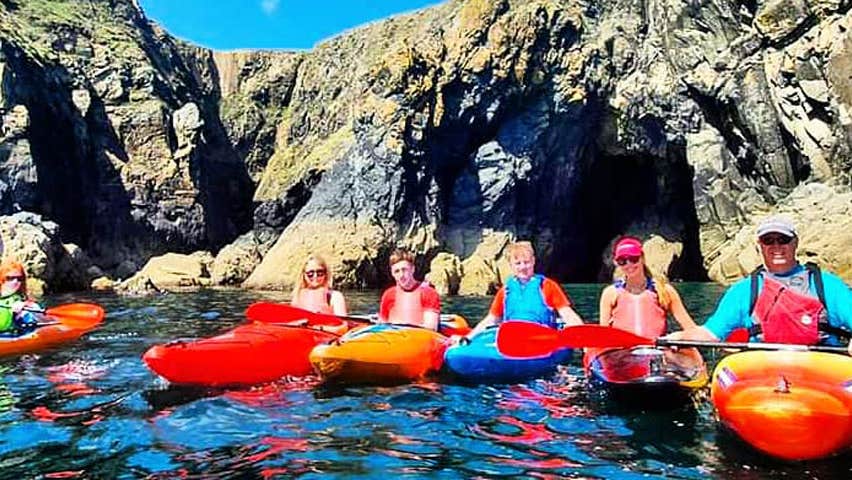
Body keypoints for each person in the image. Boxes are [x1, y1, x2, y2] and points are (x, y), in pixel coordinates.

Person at [667, 215, 852, 355]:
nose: (776, 246)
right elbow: (711, 333)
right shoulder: (743, 290)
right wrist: (681, 337)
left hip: (821, 366)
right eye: (768, 241)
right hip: (764, 371)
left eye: (783, 240)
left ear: (795, 243)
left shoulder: (827, 285)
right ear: (760, 246)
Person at [465, 241, 584, 338]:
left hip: (542, 338)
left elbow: (568, 315)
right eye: (518, 263)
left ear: (533, 262)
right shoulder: (506, 290)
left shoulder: (547, 286)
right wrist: (469, 337)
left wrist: (583, 340)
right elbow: (491, 319)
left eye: (526, 262)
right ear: (511, 265)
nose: (523, 267)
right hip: (513, 340)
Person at [599, 236, 696, 337]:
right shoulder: (610, 294)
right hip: (623, 351)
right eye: (622, 261)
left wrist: (678, 337)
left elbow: (691, 329)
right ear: (616, 263)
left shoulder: (664, 290)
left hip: (655, 350)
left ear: (642, 258)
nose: (629, 265)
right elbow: (603, 335)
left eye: (633, 259)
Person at [378, 248, 441, 330]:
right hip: (393, 337)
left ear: (412, 269)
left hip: (418, 337)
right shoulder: (388, 294)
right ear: (392, 274)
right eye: (397, 271)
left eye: (404, 270)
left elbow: (431, 328)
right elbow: (382, 324)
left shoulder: (428, 293)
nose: (401, 275)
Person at [0, 260, 41, 336]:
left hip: (9, 334)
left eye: (19, 278)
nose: (15, 282)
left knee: (26, 316)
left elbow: (38, 314)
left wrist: (27, 306)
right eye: (10, 278)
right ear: (2, 278)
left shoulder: (19, 299)